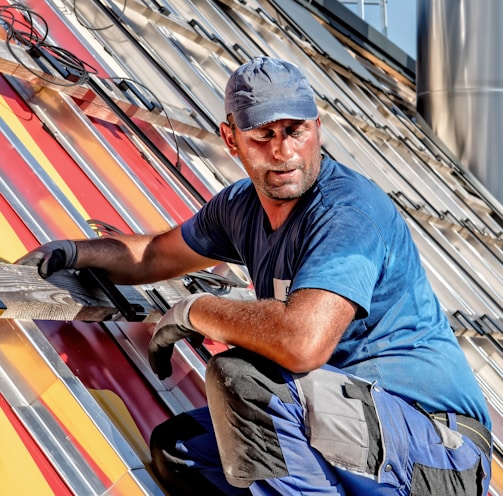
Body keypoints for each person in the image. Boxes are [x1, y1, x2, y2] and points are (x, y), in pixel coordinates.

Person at [18, 56, 492, 495]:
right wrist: (77, 250)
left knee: (242, 378)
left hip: (436, 449)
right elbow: (156, 255)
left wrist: (197, 311)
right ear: (231, 140)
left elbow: (302, 343)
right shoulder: (241, 207)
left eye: (295, 130)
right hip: (350, 430)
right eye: (263, 135)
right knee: (182, 451)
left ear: (318, 128)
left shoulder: (347, 214)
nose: (284, 151)